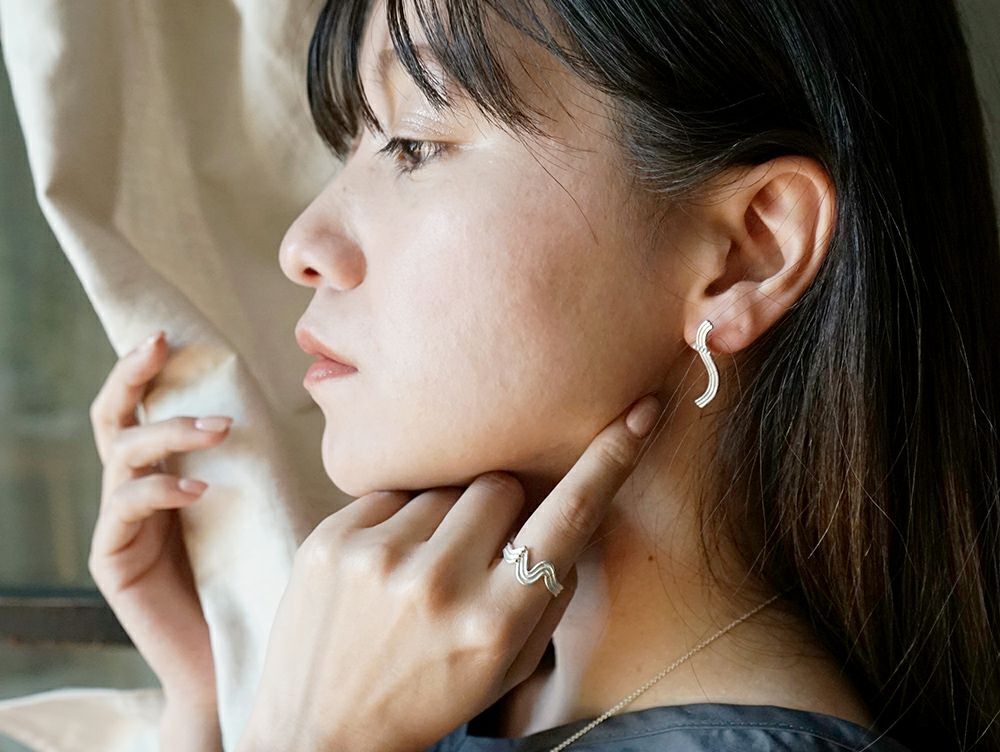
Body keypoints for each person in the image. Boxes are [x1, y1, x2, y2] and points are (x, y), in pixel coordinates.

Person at [86, 0, 1000, 750]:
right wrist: (205, 693)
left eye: (413, 143)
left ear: (747, 253)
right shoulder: (443, 689)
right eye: (350, 151)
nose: (304, 245)